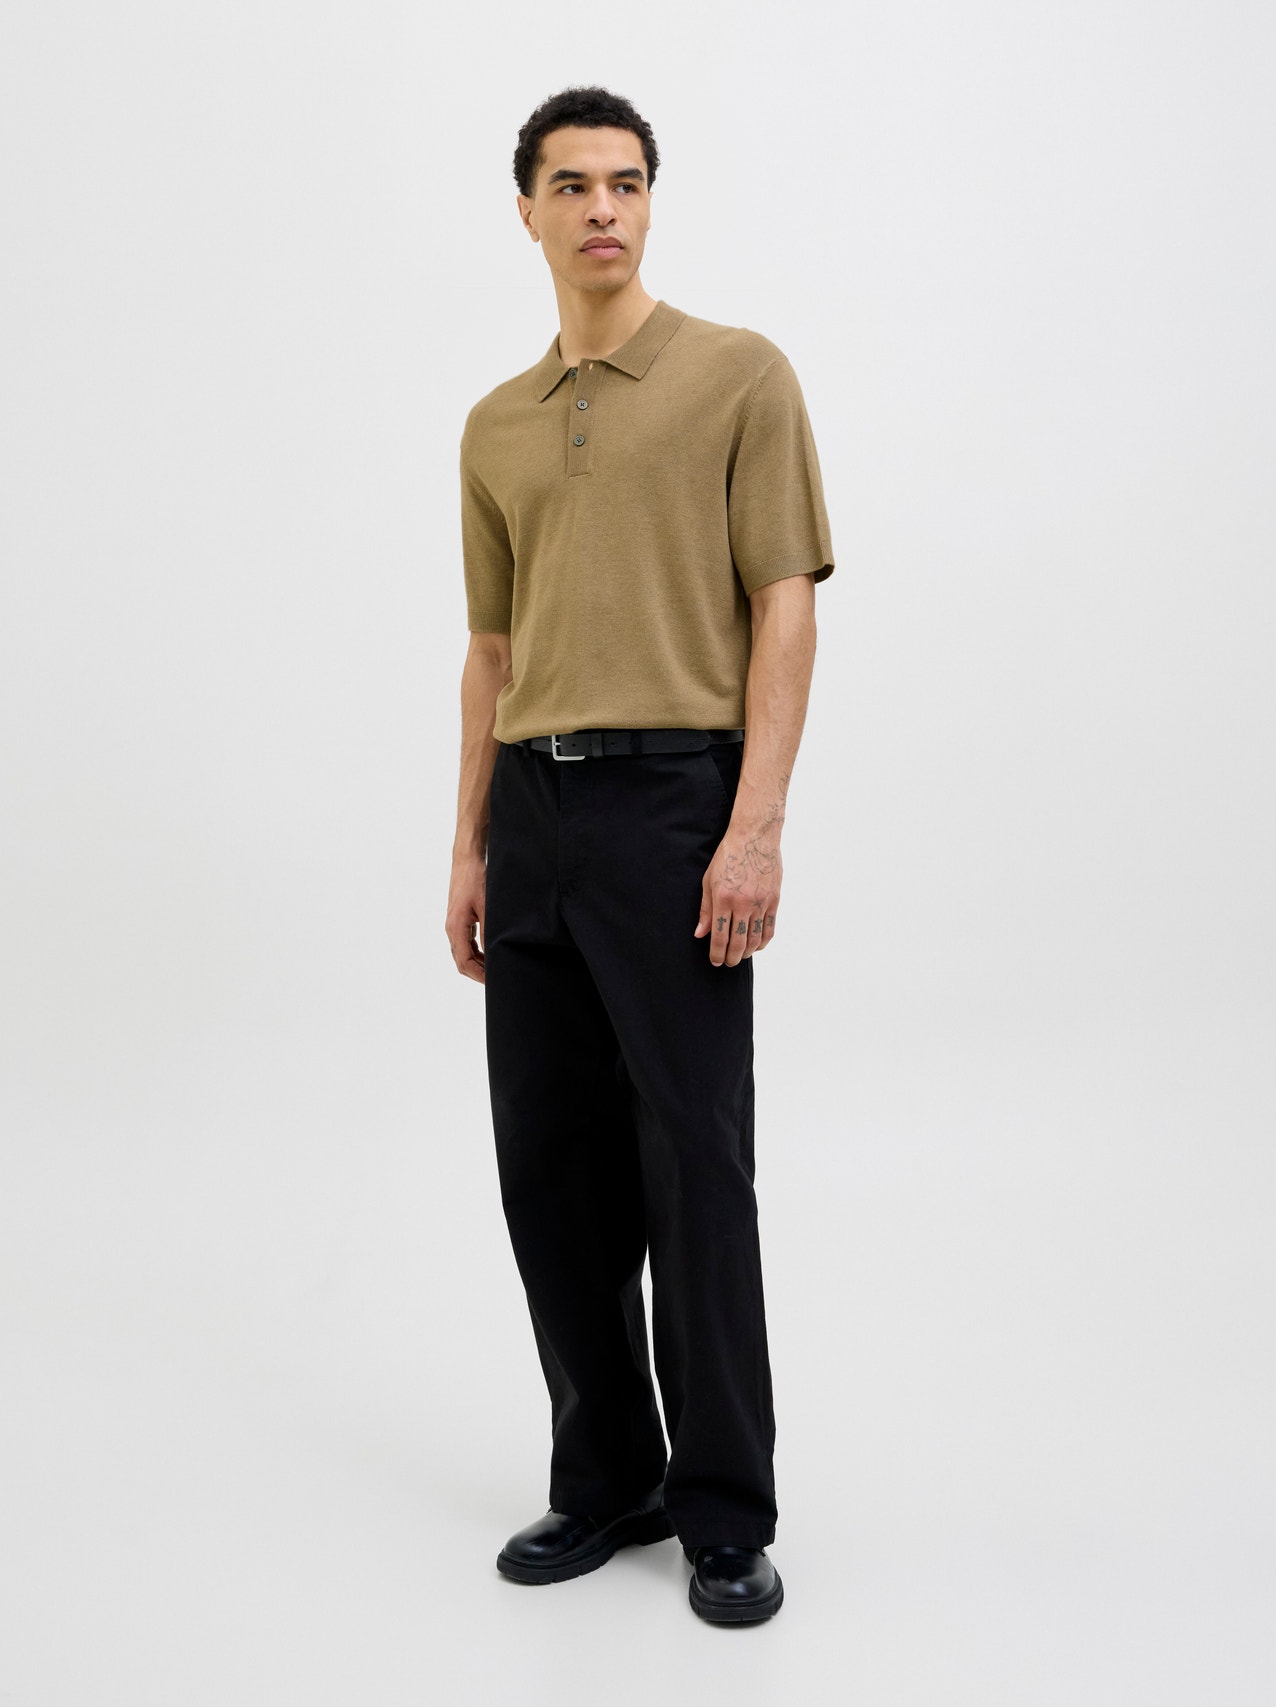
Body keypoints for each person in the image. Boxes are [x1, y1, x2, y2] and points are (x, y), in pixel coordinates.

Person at [445, 84, 834, 1625]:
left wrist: (756, 823)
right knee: (551, 1169)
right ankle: (606, 1474)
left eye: (625, 182)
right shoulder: (496, 424)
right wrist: (469, 844)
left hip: (677, 801)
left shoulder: (740, 376)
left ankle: (725, 1509)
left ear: (650, 203)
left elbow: (785, 603)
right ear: (528, 212)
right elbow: (490, 651)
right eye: (571, 184)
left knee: (697, 1166)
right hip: (533, 811)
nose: (601, 207)